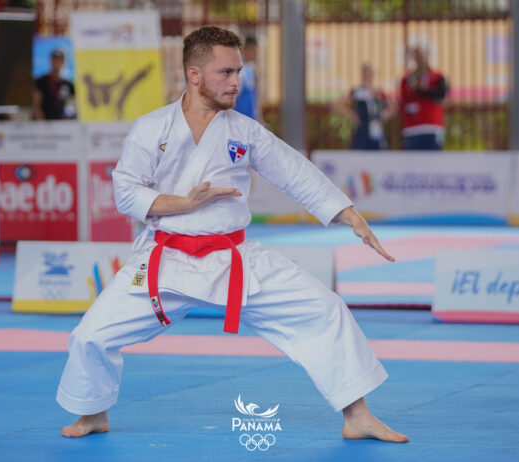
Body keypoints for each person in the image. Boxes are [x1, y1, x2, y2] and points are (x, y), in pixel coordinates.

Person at [57, 26, 408, 444]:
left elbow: (294, 171)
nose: (236, 81)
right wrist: (184, 204)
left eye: (238, 71)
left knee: (325, 309)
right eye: (225, 72)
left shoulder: (245, 130)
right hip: (166, 260)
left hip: (233, 258)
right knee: (91, 334)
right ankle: (93, 411)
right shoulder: (151, 129)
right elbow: (126, 192)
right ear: (194, 74)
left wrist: (348, 213)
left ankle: (357, 415)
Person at [332, 63, 393, 150]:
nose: (369, 76)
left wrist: (384, 115)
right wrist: (350, 113)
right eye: (366, 73)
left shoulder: (378, 92)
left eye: (370, 73)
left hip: (376, 131)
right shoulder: (357, 91)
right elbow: (336, 105)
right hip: (362, 132)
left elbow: (392, 106)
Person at [400, 46, 447, 150]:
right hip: (413, 128)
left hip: (433, 127)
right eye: (417, 56)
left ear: (427, 56)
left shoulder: (437, 76)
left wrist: (421, 90)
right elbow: (407, 95)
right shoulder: (409, 78)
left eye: (421, 55)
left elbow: (441, 93)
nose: (420, 58)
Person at [33, 49, 75, 120]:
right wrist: (42, 123)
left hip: (62, 123)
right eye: (54, 59)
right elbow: (36, 105)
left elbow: (72, 107)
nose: (56, 62)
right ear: (50, 61)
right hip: (44, 122)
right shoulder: (41, 82)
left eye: (59, 60)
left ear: (63, 62)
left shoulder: (68, 85)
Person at [234, 35, 259, 120]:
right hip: (240, 120)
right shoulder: (239, 70)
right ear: (246, 50)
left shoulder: (251, 67)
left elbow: (254, 97)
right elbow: (233, 97)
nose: (256, 54)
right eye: (254, 51)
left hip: (251, 118)